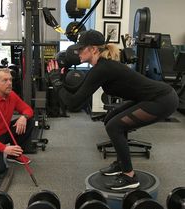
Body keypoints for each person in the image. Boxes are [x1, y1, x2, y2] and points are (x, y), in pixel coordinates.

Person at [47, 29, 179, 191]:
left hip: (163, 99)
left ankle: (129, 176)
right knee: (111, 119)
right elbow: (77, 90)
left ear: (93, 49)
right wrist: (59, 78)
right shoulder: (99, 67)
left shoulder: (103, 68)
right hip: (149, 98)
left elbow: (73, 104)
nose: (78, 52)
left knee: (114, 126)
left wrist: (56, 82)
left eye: (81, 48)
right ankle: (120, 164)